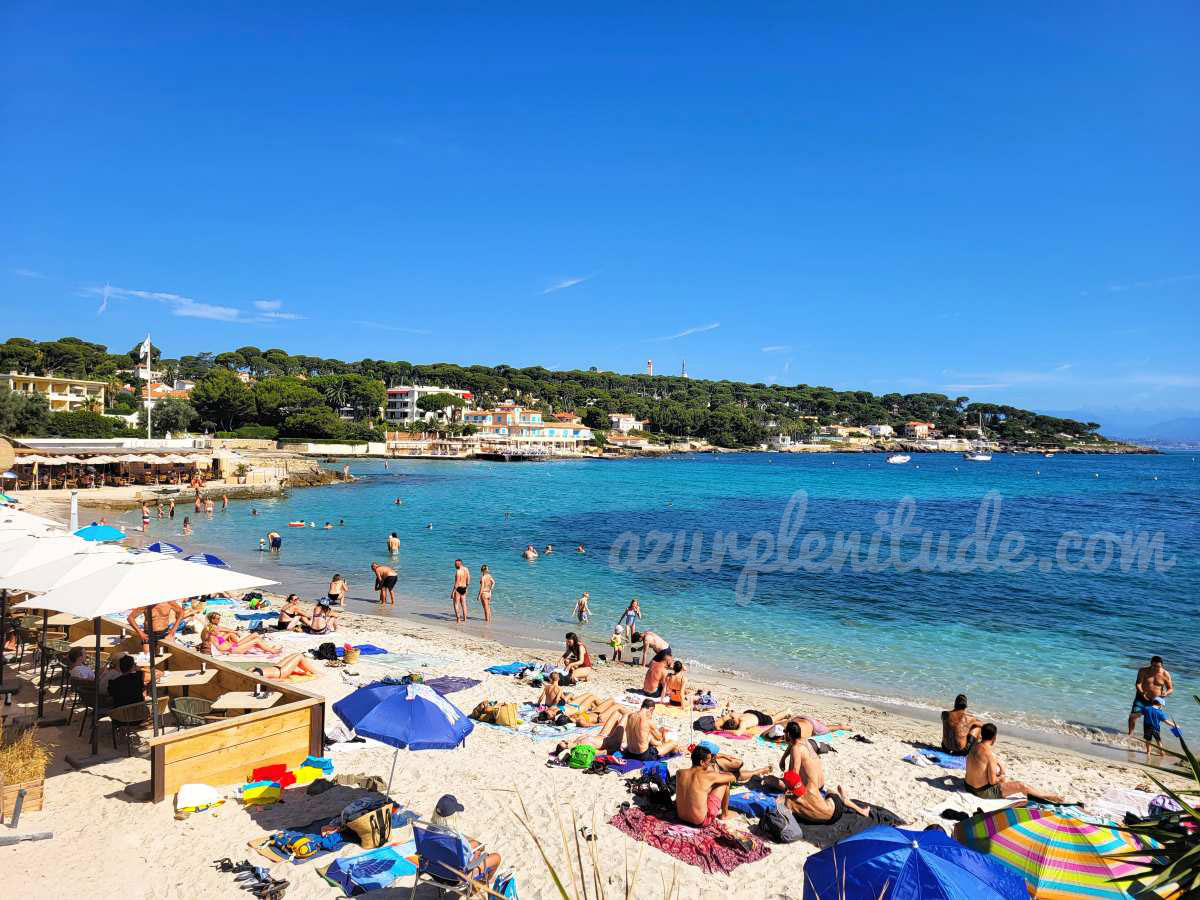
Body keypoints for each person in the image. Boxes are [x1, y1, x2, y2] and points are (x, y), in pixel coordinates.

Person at [966, 723, 1065, 802]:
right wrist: (1002, 775)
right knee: (1021, 785)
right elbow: (992, 781)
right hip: (981, 792)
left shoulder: (974, 746)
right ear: (994, 738)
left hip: (968, 786)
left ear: (982, 734)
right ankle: (1048, 795)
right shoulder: (989, 755)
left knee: (1000, 778)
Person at [428, 795, 503, 887]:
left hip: (433, 871)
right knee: (496, 857)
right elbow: (467, 864)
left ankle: (483, 872)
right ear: (453, 816)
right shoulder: (456, 838)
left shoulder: (428, 829)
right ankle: (486, 880)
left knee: (476, 844)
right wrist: (476, 856)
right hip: (455, 877)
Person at [676, 744, 737, 826]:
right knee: (724, 783)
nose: (710, 763)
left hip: (681, 817)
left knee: (703, 789)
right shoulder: (708, 776)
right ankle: (725, 814)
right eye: (709, 760)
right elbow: (732, 778)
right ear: (702, 762)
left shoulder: (680, 773)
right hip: (700, 821)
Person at [1129, 656, 1173, 738]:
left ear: (1162, 665)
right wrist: (1142, 693)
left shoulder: (1165, 674)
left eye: (1158, 666)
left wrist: (1166, 693)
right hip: (1141, 697)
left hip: (1156, 702)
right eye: (1154, 666)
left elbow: (1170, 689)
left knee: (1153, 721)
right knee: (1133, 717)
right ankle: (1130, 734)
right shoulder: (1143, 671)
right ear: (1150, 664)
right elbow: (1138, 684)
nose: (1156, 668)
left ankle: (1152, 739)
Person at [200, 612, 282, 656]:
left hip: (233, 646)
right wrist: (226, 650)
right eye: (217, 618)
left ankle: (267, 648)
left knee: (255, 634)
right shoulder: (210, 632)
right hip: (232, 649)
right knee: (256, 640)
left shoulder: (214, 636)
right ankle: (273, 651)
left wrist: (228, 635)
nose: (219, 620)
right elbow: (220, 648)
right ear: (212, 619)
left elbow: (221, 640)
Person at [251, 653, 322, 680]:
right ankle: (315, 672)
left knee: (295, 654)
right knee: (299, 656)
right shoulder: (256, 676)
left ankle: (309, 670)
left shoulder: (250, 672)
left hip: (276, 667)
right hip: (281, 673)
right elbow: (268, 681)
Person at [451, 558, 470, 623]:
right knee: (464, 604)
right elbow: (468, 579)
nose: (455, 565)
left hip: (458, 588)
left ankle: (458, 619)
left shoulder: (458, 571)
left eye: (456, 564)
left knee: (456, 604)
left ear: (459, 564)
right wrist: (467, 588)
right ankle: (465, 619)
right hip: (464, 587)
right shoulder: (466, 569)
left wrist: (453, 592)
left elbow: (457, 583)